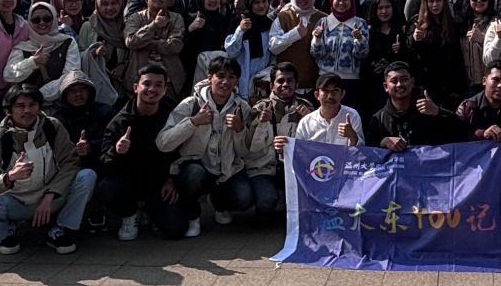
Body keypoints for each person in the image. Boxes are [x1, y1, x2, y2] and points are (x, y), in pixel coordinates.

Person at [0, 84, 89, 254]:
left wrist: (51, 194)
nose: (27, 111)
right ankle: (6, 232)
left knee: (87, 176)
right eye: (20, 106)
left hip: (50, 199)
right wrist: (10, 177)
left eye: (32, 105)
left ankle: (61, 229)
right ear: (8, 110)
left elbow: (70, 163)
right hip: (15, 203)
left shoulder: (52, 127)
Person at [157, 56, 258, 227]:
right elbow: (163, 143)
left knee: (244, 198)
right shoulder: (191, 104)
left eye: (231, 77)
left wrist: (240, 130)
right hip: (197, 166)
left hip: (227, 170)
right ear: (210, 77)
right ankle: (193, 214)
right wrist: (193, 122)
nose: (225, 82)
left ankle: (219, 204)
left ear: (237, 81)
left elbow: (244, 152)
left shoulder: (242, 107)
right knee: (193, 176)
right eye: (221, 76)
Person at [96, 67, 181, 241]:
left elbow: (182, 152)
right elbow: (104, 164)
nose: (152, 89)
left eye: (158, 85)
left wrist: (172, 179)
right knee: (106, 188)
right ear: (136, 87)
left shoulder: (174, 115)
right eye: (147, 84)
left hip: (160, 182)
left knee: (176, 230)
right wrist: (117, 151)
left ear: (165, 89)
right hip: (129, 181)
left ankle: (151, 211)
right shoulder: (119, 122)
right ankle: (130, 214)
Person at [241, 64, 312, 207]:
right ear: (271, 85)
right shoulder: (260, 108)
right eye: (280, 81)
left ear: (296, 84)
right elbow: (250, 149)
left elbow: (315, 146)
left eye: (290, 81)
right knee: (266, 200)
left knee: (306, 196)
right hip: (263, 168)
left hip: (295, 169)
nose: (285, 84)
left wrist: (310, 121)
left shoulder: (306, 109)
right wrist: (261, 124)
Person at [6, 0, 92, 102]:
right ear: (29, 22)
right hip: (28, 105)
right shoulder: (23, 47)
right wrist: (33, 62)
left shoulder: (67, 42)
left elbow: (70, 75)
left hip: (60, 102)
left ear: (54, 19)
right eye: (36, 20)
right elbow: (9, 75)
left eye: (47, 19)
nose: (42, 23)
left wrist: (39, 95)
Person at [369, 61, 465, 149]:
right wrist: (384, 142)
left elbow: (463, 131)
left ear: (412, 82)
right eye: (394, 81)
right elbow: (369, 153)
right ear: (386, 86)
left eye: (404, 79)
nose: (399, 85)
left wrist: (438, 112)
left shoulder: (428, 108)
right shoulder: (379, 119)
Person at [403, 0, 467, 110]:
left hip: (449, 86)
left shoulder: (452, 24)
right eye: (431, 1)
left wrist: (459, 86)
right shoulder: (417, 23)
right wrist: (415, 39)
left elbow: (457, 56)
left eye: (438, 0)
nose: (435, 4)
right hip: (426, 86)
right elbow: (409, 52)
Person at [123, 0, 188, 89]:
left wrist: (145, 43)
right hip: (139, 79)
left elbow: (175, 46)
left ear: (169, 0)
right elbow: (131, 42)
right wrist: (154, 26)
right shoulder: (135, 18)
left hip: (169, 81)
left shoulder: (176, 18)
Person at [311, 0, 370, 97]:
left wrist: (359, 39)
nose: (341, 3)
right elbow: (316, 54)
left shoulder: (359, 23)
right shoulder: (323, 23)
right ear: (332, 0)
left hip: (351, 81)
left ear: (351, 0)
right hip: (325, 79)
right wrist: (317, 39)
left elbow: (362, 55)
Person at [224, 0, 278, 98]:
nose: (261, 6)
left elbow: (273, 53)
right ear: (249, 3)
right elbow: (231, 51)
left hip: (261, 81)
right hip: (240, 78)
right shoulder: (239, 22)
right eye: (256, 2)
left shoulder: (270, 25)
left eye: (264, 1)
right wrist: (240, 30)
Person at [269, 0, 324, 91]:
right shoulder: (283, 16)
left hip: (314, 86)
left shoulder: (322, 18)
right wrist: (295, 34)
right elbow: (273, 47)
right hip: (286, 86)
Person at [295, 72, 366, 144]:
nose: (330, 96)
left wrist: (352, 136)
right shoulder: (306, 122)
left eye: (335, 90)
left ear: (342, 94)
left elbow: (361, 149)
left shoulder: (352, 116)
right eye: (325, 90)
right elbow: (299, 149)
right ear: (317, 95)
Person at [81, 0, 129, 90]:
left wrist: (124, 66)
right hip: (94, 83)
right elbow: (78, 54)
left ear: (121, 4)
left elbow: (133, 53)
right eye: (105, 4)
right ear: (98, 5)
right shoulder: (88, 26)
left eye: (114, 3)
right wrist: (93, 53)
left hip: (121, 83)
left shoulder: (127, 26)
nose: (110, 8)